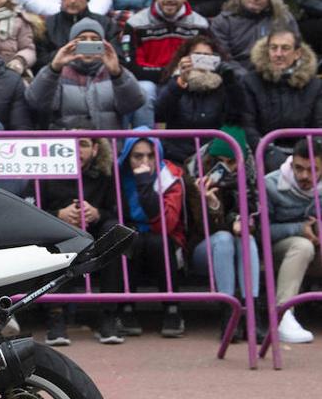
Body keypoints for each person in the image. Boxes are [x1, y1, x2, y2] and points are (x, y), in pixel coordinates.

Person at [36, 135, 121, 344]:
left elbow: (119, 212)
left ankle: (109, 316)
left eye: (82, 144)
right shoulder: (45, 174)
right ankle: (56, 316)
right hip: (57, 234)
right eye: (70, 144)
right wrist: (58, 215)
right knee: (52, 235)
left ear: (94, 149)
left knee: (114, 231)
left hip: (95, 237)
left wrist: (97, 213)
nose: (76, 150)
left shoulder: (106, 175)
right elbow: (30, 209)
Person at [185, 128, 261, 341]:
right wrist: (209, 204)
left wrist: (243, 223)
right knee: (225, 239)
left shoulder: (249, 177)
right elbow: (198, 228)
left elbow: (256, 217)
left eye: (232, 161)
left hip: (237, 245)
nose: (227, 167)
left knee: (247, 239)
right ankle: (228, 314)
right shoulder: (194, 174)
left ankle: (253, 316)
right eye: (221, 161)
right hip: (203, 248)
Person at [116, 133, 192, 337]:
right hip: (133, 234)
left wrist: (144, 185)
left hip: (165, 236)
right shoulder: (117, 174)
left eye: (150, 156)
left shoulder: (169, 176)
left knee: (159, 242)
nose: (145, 162)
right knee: (127, 238)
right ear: (127, 157)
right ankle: (126, 309)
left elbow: (167, 224)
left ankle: (172, 309)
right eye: (138, 156)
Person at [121, 0, 209, 125]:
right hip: (151, 82)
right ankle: (147, 144)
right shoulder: (136, 23)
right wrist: (170, 73)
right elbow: (132, 67)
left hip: (187, 79)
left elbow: (204, 60)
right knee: (144, 89)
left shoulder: (199, 24)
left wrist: (180, 76)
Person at [27, 16, 143, 129]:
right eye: (82, 40)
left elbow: (134, 104)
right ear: (71, 44)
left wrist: (118, 74)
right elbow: (36, 102)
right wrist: (53, 69)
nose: (89, 44)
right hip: (69, 144)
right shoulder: (59, 72)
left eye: (94, 40)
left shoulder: (114, 71)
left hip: (109, 144)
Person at [264, 137, 322, 344]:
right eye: (299, 168)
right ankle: (283, 316)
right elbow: (261, 233)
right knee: (302, 245)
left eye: (312, 169)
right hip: (279, 248)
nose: (304, 175)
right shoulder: (270, 183)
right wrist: (300, 229)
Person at [154, 35, 243, 164]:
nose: (202, 60)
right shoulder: (175, 82)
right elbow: (159, 114)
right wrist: (180, 82)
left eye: (207, 56)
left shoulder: (223, 85)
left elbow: (236, 116)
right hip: (177, 156)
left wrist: (230, 82)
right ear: (186, 58)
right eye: (197, 55)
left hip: (212, 158)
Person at [241, 28, 322, 167]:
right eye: (273, 48)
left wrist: (307, 156)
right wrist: (267, 152)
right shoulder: (250, 81)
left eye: (285, 48)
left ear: (297, 53)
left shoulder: (314, 85)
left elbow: (319, 125)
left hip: (307, 159)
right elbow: (246, 124)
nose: (278, 54)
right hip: (263, 156)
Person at [209, 0, 298, 68]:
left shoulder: (284, 19)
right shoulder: (224, 22)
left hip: (277, 73)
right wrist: (246, 78)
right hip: (238, 76)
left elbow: (296, 51)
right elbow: (223, 58)